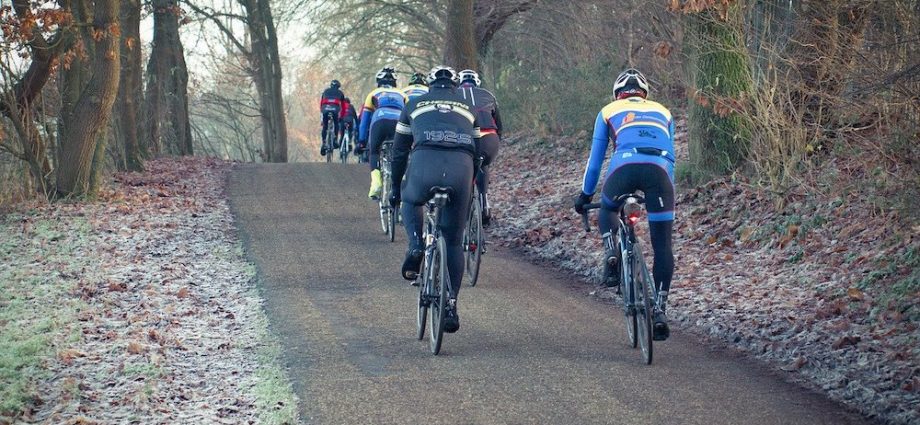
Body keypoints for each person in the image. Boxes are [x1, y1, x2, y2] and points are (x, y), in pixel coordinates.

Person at [573, 68, 676, 341]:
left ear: (617, 94)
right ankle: (660, 309)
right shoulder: (664, 111)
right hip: (660, 174)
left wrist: (584, 197)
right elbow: (672, 159)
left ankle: (611, 253)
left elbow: (594, 164)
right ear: (645, 94)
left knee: (608, 208)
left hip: (624, 169)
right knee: (663, 245)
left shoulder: (608, 111)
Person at [389, 66, 481, 333]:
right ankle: (450, 304)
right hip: (460, 169)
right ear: (454, 86)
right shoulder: (468, 106)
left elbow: (398, 151)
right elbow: (478, 152)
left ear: (430, 85)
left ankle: (416, 246)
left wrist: (395, 188)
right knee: (453, 241)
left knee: (410, 199)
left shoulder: (413, 103)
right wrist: (472, 186)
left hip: (424, 164)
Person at [458, 69, 502, 226]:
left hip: (466, 137)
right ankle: (484, 202)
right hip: (490, 138)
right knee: (483, 164)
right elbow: (499, 125)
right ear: (477, 83)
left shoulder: (454, 95)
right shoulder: (488, 95)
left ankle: (461, 204)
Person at [358, 67, 406, 199]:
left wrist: (361, 141)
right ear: (395, 83)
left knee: (374, 151)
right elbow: (410, 117)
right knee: (402, 152)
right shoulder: (402, 94)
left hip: (380, 119)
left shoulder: (373, 93)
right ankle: (401, 182)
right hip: (398, 121)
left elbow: (364, 121)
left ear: (378, 81)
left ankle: (376, 182)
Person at [319, 80, 346, 156]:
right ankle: (335, 140)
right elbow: (343, 107)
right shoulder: (340, 93)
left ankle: (324, 142)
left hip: (325, 108)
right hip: (335, 109)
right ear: (338, 87)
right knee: (336, 123)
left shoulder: (325, 91)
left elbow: (321, 103)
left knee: (325, 126)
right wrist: (342, 117)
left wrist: (322, 112)